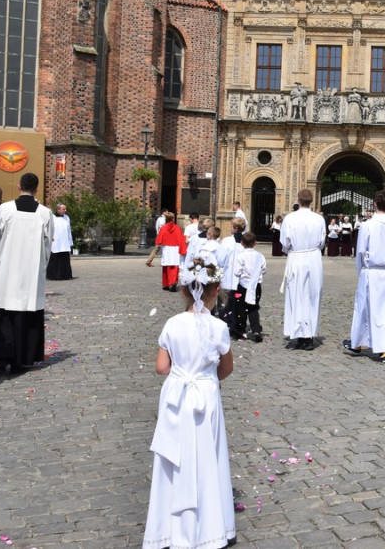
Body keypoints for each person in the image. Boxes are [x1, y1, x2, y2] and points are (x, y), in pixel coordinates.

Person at [142, 255, 236, 549]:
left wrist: (180, 375)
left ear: (183, 289)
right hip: (205, 393)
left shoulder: (172, 324)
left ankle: (169, 529)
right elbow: (227, 368)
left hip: (177, 394)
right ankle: (209, 529)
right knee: (208, 455)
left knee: (176, 457)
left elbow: (161, 367)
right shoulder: (218, 328)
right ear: (216, 288)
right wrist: (206, 377)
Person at [0, 172, 54, 374]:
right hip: (31, 273)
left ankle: (1, 357)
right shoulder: (44, 213)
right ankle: (23, 358)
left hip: (7, 268)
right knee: (27, 312)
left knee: (5, 313)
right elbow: (47, 246)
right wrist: (41, 268)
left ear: (18, 186)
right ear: (37, 189)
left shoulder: (5, 209)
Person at [345, 190, 385, 363]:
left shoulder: (368, 225)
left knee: (363, 308)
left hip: (371, 270)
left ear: (375, 204)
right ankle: (384, 349)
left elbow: (361, 251)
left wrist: (361, 271)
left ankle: (358, 344)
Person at [280, 189, 325, 351]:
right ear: (311, 201)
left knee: (296, 295)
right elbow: (321, 241)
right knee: (313, 295)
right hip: (314, 258)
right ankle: (309, 335)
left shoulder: (290, 218)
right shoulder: (319, 219)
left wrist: (293, 250)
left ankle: (299, 334)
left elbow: (284, 242)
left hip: (297, 257)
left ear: (298, 200)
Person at [234, 232, 267, 342]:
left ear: (242, 243)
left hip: (243, 285)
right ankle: (256, 329)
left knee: (241, 307)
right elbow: (264, 270)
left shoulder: (240, 256)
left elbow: (237, 272)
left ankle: (241, 330)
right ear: (255, 243)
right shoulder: (260, 256)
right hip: (256, 286)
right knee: (254, 307)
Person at [148, 211, 187, 291]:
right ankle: (173, 282)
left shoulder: (163, 228)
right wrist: (183, 250)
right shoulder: (177, 228)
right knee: (174, 266)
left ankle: (166, 284)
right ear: (173, 219)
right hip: (175, 249)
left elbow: (159, 240)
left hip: (166, 249)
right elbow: (181, 240)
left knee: (166, 266)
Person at [46, 203, 73, 280]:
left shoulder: (67, 218)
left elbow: (69, 230)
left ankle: (65, 275)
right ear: (58, 209)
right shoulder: (52, 218)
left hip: (64, 241)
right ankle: (53, 275)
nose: (65, 210)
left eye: (65, 209)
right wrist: (50, 237)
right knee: (55, 257)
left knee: (65, 257)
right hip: (56, 241)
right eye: (63, 209)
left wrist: (70, 240)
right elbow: (48, 228)